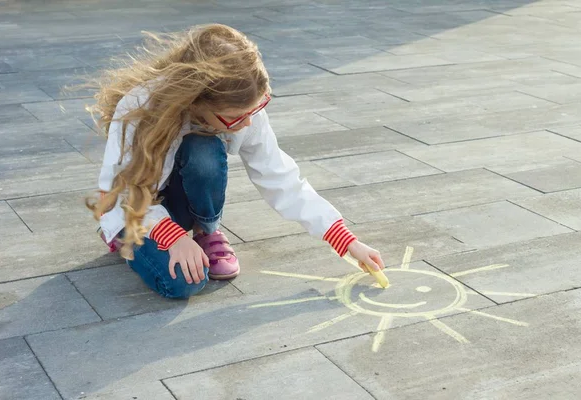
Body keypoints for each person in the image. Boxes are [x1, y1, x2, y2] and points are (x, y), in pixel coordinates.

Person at [86, 24, 386, 299]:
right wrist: (172, 237)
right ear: (196, 101)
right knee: (184, 283)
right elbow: (120, 190)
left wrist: (345, 240)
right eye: (233, 118)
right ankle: (128, 242)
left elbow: (279, 177)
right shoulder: (141, 106)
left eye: (254, 110)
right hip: (133, 211)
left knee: (204, 149)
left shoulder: (246, 108)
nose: (245, 124)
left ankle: (206, 230)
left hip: (177, 201)